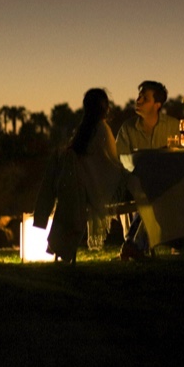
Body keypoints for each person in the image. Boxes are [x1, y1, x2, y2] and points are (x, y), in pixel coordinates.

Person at [33, 88, 128, 263]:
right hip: (93, 188)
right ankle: (137, 243)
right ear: (104, 107)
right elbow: (108, 164)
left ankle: (134, 243)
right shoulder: (101, 129)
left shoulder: (83, 131)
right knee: (140, 187)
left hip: (77, 188)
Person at [115, 80, 179, 260]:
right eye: (139, 96)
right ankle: (134, 244)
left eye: (145, 98)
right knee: (151, 191)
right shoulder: (128, 129)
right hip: (134, 184)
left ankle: (132, 244)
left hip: (166, 183)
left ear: (157, 104)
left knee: (158, 190)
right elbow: (119, 161)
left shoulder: (173, 126)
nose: (138, 100)